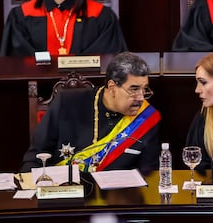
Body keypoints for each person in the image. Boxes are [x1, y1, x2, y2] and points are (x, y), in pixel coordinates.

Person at [20, 52, 162, 173]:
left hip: (118, 200)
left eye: (144, 90)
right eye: (134, 89)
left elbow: (149, 174)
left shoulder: (147, 119)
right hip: (66, 195)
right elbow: (34, 159)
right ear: (112, 87)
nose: (141, 98)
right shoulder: (66, 103)